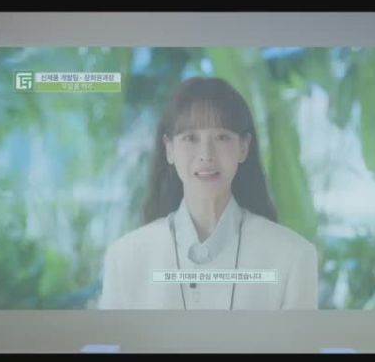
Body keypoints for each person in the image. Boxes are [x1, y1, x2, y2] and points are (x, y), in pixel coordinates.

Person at [99, 77, 317, 310]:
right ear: (169, 149)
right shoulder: (124, 258)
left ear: (243, 147)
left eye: (222, 137)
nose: (206, 155)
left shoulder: (293, 256)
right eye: (190, 138)